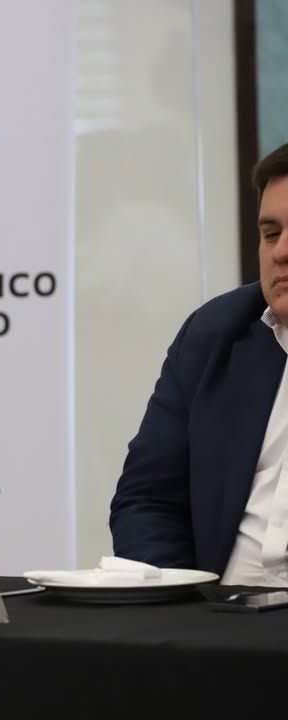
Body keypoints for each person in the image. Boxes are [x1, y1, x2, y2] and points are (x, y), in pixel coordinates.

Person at [111, 142, 288, 584]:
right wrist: (182, 608)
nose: (280, 252)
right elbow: (148, 501)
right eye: (270, 234)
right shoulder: (216, 333)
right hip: (218, 614)